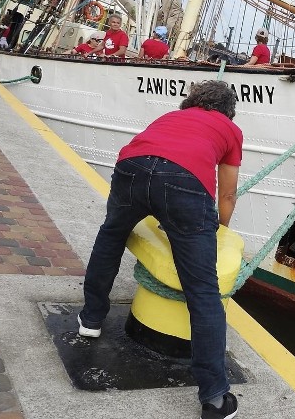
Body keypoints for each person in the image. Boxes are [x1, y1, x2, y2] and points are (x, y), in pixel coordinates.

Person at [78, 80, 241, 419]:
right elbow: (226, 194)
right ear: (228, 110)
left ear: (192, 101)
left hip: (131, 168)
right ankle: (214, 397)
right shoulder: (230, 129)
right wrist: (218, 231)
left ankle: (91, 319)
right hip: (183, 184)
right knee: (202, 288)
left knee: (111, 236)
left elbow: (156, 164)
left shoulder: (170, 116)